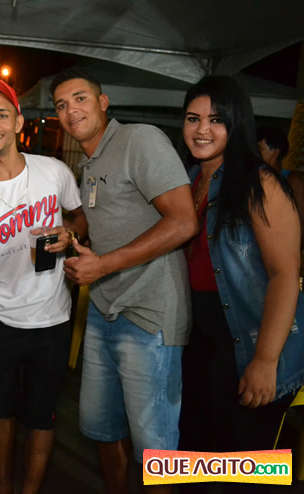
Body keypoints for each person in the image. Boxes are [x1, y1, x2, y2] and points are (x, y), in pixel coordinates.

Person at [50, 67, 198, 494]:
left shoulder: (140, 140)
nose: (70, 110)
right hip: (103, 309)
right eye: (61, 105)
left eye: (80, 98)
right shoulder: (90, 161)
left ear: (103, 102)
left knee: (155, 451)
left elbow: (184, 221)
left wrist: (104, 265)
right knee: (101, 428)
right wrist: (72, 233)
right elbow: (105, 217)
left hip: (149, 314)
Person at [0, 77, 87, 494]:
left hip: (53, 319)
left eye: (1, 114)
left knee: (42, 415)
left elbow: (81, 218)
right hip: (0, 320)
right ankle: (4, 486)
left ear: (18, 122)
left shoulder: (54, 171)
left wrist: (69, 234)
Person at [178, 76, 304, 494]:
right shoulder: (189, 179)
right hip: (200, 344)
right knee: (191, 462)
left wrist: (266, 360)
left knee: (245, 474)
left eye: (216, 120)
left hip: (250, 342)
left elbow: (285, 274)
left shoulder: (259, 182)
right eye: (193, 118)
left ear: (237, 123)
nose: (202, 129)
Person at [257, 126, 304, 246]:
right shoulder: (253, 177)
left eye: (260, 149)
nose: (255, 155)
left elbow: (301, 222)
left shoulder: (293, 180)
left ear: (275, 153)